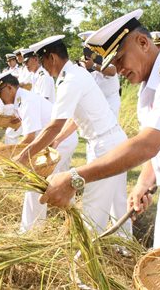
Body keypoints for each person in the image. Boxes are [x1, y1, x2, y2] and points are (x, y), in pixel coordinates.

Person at [39, 10, 160, 248]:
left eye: (120, 59)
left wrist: (75, 178)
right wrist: (144, 183)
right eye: (113, 63)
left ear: (143, 43)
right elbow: (159, 148)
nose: (119, 70)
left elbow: (147, 144)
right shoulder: (149, 86)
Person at [15, 35, 132, 238]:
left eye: (42, 62)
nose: (44, 68)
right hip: (113, 140)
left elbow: (54, 125)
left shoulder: (69, 80)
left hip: (105, 145)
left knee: (93, 208)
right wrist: (58, 140)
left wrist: (25, 156)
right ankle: (125, 246)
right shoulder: (77, 73)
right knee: (117, 201)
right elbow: (76, 118)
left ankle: (86, 260)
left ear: (51, 58)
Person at [0, 72, 78, 232]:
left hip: (59, 141)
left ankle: (30, 230)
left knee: (35, 182)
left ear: (9, 88)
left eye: (0, 93)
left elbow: (29, 137)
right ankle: (73, 219)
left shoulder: (26, 101)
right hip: (54, 140)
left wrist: (13, 158)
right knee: (60, 180)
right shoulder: (20, 100)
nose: (0, 98)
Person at [78, 31, 121, 118]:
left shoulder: (107, 56)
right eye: (86, 48)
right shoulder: (85, 62)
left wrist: (93, 66)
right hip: (96, 102)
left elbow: (112, 71)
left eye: (90, 47)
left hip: (110, 101)